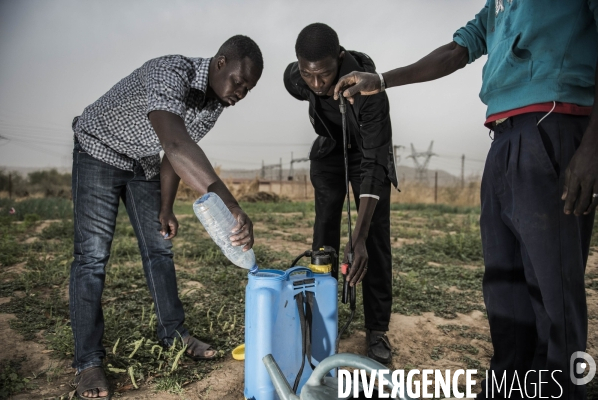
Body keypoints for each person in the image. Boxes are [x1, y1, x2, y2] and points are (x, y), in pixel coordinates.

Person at [335, 2, 598, 399]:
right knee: (503, 283)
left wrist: (592, 149)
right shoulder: (498, 4)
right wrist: (382, 80)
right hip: (503, 135)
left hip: (554, 124)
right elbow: (456, 51)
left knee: (552, 290)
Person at [70, 35, 263, 399]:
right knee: (92, 258)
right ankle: (88, 362)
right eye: (239, 81)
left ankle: (175, 333)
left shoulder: (214, 104)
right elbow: (175, 142)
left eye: (248, 88)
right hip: (99, 150)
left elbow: (174, 155)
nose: (240, 92)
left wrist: (165, 207)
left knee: (160, 249)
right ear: (220, 63)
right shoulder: (170, 70)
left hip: (142, 164)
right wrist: (232, 204)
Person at [284, 23, 398, 364]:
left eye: (325, 74)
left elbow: (376, 164)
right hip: (330, 153)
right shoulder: (296, 78)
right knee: (325, 235)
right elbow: (300, 83)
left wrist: (359, 235)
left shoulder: (368, 89)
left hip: (367, 156)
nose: (317, 84)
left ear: (341, 57)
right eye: (309, 74)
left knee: (372, 239)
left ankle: (376, 330)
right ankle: (323, 317)